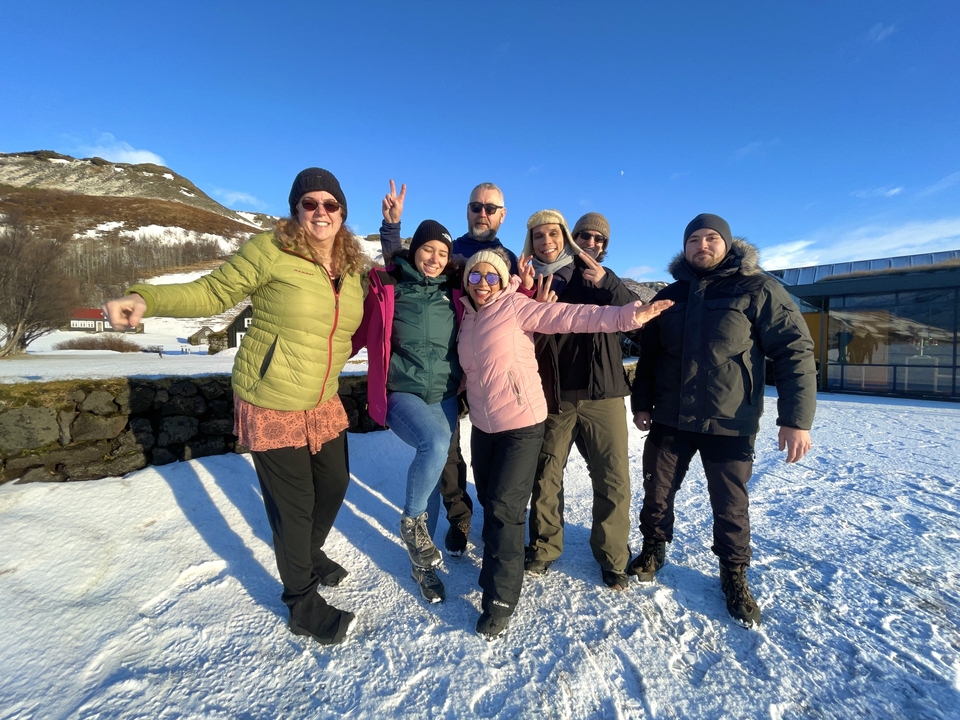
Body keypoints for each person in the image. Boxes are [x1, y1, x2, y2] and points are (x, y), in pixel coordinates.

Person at [102, 168, 366, 646]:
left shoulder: (352, 269)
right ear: (296, 210)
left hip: (322, 397)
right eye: (310, 203)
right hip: (271, 398)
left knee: (334, 482)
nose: (321, 212)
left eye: (330, 204)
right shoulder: (271, 252)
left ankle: (307, 553)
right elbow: (211, 291)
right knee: (295, 504)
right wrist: (147, 297)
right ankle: (301, 602)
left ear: (343, 211)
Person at [457, 247, 673, 640]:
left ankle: (501, 599)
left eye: (491, 277)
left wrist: (628, 315)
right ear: (466, 282)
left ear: (504, 281)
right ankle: (494, 567)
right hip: (484, 427)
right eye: (475, 277)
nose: (483, 284)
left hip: (522, 424)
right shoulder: (466, 320)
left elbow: (572, 315)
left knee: (506, 508)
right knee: (490, 500)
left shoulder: (517, 307)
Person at [629, 213, 817, 627]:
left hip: (729, 420)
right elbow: (650, 356)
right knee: (656, 490)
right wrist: (641, 403)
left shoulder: (759, 288)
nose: (702, 245)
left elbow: (794, 351)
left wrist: (795, 418)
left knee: (730, 503)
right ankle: (653, 548)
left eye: (711, 238)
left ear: (727, 244)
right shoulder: (673, 295)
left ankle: (734, 574)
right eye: (694, 239)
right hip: (671, 417)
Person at [378, 181, 519, 558]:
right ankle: (435, 523)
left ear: (502, 215)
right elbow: (403, 269)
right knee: (441, 450)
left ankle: (430, 541)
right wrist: (391, 228)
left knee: (448, 456)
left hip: (458, 385)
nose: (483, 213)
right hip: (409, 385)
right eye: (476, 206)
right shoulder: (447, 264)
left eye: (491, 208)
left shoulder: (497, 265)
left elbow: (508, 306)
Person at [523, 211, 640, 592]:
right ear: (573, 239)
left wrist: (608, 283)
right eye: (584, 237)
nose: (591, 243)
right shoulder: (545, 277)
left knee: (612, 477)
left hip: (603, 392)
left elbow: (637, 314)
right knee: (546, 473)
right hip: (556, 392)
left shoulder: (609, 282)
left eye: (599, 239)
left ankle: (613, 558)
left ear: (605, 247)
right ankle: (543, 548)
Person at [353, 216, 463, 605]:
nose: (434, 258)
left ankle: (423, 566)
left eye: (442, 253)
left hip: (446, 394)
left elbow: (496, 292)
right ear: (414, 251)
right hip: (403, 391)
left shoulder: (455, 292)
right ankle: (412, 524)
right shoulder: (389, 287)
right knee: (433, 445)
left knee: (433, 477)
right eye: (427, 250)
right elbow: (355, 331)